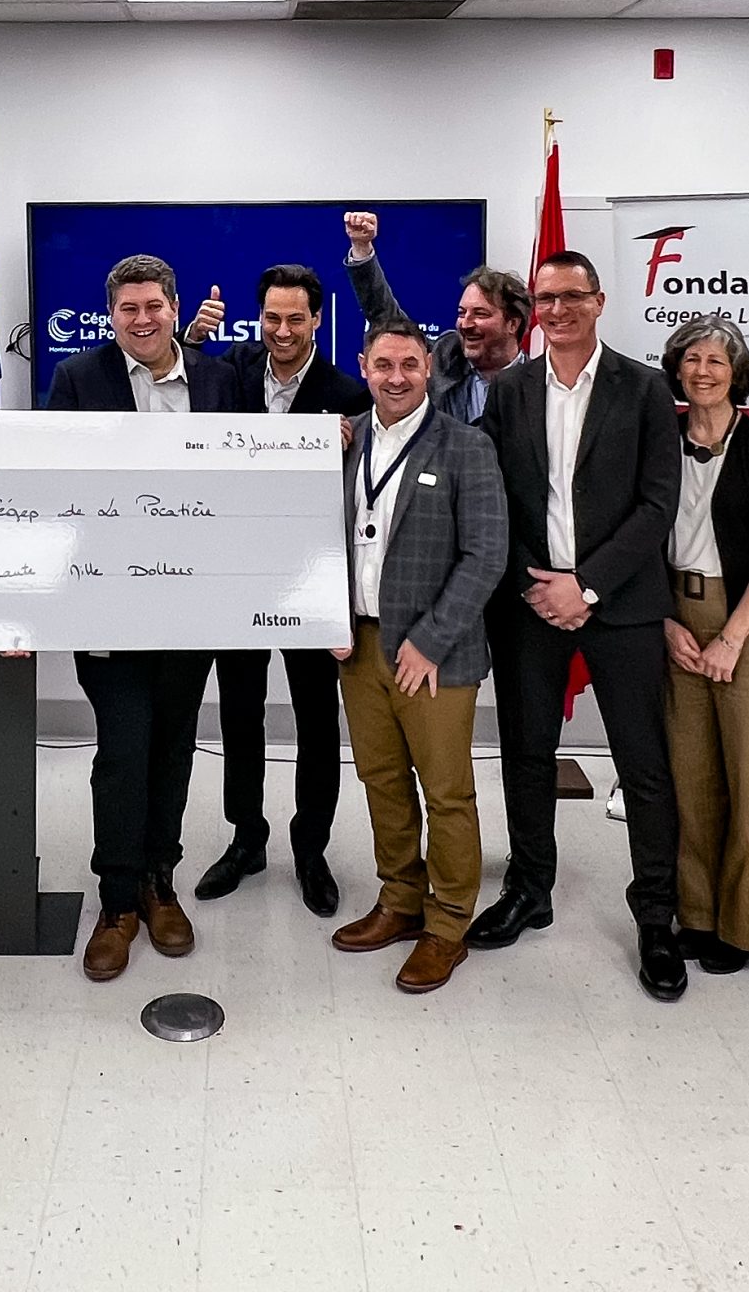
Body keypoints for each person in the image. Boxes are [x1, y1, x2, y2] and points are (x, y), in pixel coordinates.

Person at [474, 251, 687, 1002]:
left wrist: (587, 585)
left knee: (644, 764)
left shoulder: (647, 388)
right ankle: (530, 888)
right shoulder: (509, 390)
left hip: (621, 604)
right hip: (531, 602)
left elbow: (658, 504)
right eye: (545, 299)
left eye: (572, 296)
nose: (558, 310)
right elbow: (494, 497)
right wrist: (537, 584)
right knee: (527, 754)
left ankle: (656, 917)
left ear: (598, 301)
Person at [46, 254, 238, 982]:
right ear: (112, 315)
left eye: (154, 305)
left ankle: (161, 880)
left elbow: (250, 476)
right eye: (128, 308)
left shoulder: (219, 381)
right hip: (108, 604)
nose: (143, 318)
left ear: (175, 308)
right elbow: (54, 488)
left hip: (193, 603)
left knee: (174, 746)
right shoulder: (78, 379)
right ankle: (118, 900)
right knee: (124, 748)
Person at [180, 264, 372, 917]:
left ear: (317, 319)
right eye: (271, 318)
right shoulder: (229, 372)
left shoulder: (347, 393)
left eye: (295, 319)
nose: (282, 331)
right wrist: (191, 337)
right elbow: (178, 391)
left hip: (311, 581)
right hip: (237, 575)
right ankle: (247, 840)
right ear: (257, 318)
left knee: (317, 719)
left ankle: (311, 848)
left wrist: (345, 449)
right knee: (240, 712)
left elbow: (364, 495)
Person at [330, 320, 507, 993]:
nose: (396, 377)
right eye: (384, 365)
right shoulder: (343, 440)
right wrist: (326, 617)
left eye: (409, 364)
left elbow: (486, 554)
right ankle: (400, 900)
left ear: (429, 367)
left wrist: (431, 641)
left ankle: (448, 923)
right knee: (381, 780)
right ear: (364, 367)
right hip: (359, 646)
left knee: (447, 792)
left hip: (433, 653)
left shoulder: (467, 446)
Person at [658, 317, 749, 973]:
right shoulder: (660, 440)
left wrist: (732, 639)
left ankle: (748, 924)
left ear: (737, 373)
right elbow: (640, 533)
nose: (703, 371)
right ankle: (697, 914)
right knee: (692, 778)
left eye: (717, 361)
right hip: (678, 618)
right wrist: (667, 623)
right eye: (692, 359)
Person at [338, 210, 530, 423]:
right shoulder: (445, 355)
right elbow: (386, 317)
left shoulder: (538, 383)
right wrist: (362, 249)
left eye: (480, 314)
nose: (465, 324)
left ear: (512, 324)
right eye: (462, 313)